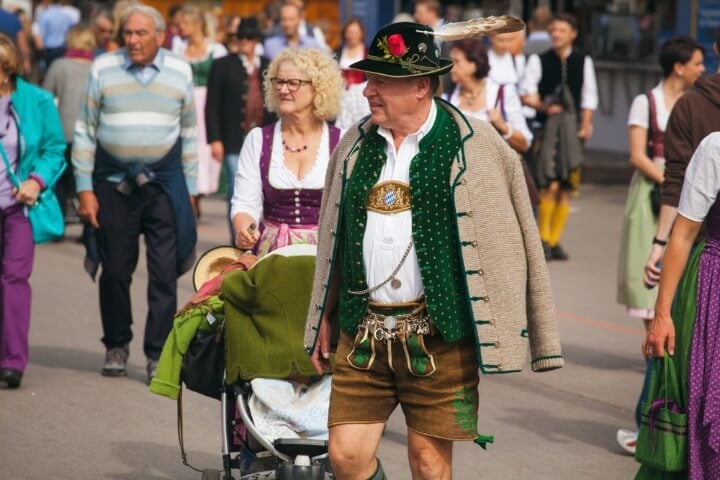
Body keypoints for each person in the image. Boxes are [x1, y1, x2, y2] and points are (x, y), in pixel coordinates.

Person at [305, 22, 563, 479]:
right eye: (370, 79)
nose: (369, 91)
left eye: (382, 80)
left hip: (440, 335)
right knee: (345, 457)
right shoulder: (352, 143)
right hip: (362, 331)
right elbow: (333, 240)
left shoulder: (475, 143)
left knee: (428, 462)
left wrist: (533, 331)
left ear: (421, 85)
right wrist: (322, 314)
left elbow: (519, 236)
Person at [72, 5, 198, 383]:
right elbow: (84, 130)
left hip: (163, 185)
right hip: (112, 184)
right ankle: (116, 342)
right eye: (127, 33)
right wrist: (83, 189)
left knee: (163, 274)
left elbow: (190, 135)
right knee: (114, 270)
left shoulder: (180, 70)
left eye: (141, 33)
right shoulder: (102, 68)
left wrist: (190, 194)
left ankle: (157, 351)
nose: (132, 40)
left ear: (160, 36)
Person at [615, 36, 705, 455]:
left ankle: (653, 421)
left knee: (667, 328)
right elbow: (639, 155)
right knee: (653, 314)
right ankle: (652, 423)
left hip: (681, 205)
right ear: (679, 67)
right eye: (696, 62)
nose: (701, 68)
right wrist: (682, 193)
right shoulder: (647, 102)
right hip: (657, 203)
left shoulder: (693, 103)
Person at [645, 132, 720, 479]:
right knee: (706, 411)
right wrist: (662, 316)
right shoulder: (716, 147)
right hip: (712, 290)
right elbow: (684, 234)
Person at [230, 47, 342, 257]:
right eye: (279, 82)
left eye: (293, 83)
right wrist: (245, 228)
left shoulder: (342, 141)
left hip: (326, 257)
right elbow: (245, 202)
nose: (282, 89)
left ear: (318, 87)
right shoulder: (258, 140)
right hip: (272, 255)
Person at [0, 33, 66, 389]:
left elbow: (55, 148)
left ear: (7, 70)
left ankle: (11, 361)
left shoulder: (36, 101)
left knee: (13, 278)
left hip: (19, 206)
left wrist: (36, 181)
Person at [521, 13, 598, 261]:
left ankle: (554, 240)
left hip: (571, 131)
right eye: (553, 30)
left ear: (573, 34)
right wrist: (544, 106)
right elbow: (526, 95)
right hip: (547, 129)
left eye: (562, 30)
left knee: (566, 185)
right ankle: (542, 238)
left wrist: (585, 125)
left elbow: (589, 97)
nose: (556, 34)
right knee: (549, 183)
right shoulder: (538, 60)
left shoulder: (583, 61)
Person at [205, 16, 274, 240]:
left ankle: (257, 236)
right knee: (238, 189)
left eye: (249, 37)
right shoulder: (223, 64)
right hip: (233, 138)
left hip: (264, 138)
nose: (244, 41)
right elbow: (212, 104)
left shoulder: (268, 65)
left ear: (257, 40)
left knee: (263, 190)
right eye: (240, 37)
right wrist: (215, 139)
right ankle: (237, 237)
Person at [174, 5, 227, 216]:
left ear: (197, 25)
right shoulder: (178, 50)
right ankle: (191, 195)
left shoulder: (216, 50)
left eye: (184, 24)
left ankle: (200, 193)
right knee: (188, 149)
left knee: (206, 152)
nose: (180, 28)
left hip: (209, 103)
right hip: (186, 104)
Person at [42, 25, 97, 225]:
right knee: (85, 176)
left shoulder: (59, 65)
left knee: (60, 177)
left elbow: (46, 96)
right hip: (91, 130)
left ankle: (59, 219)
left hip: (62, 128)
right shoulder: (97, 65)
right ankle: (87, 223)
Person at [445, 38, 532, 153]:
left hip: (495, 168)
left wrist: (503, 126)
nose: (451, 67)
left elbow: (525, 143)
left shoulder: (503, 93)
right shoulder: (448, 99)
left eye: (456, 61)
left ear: (474, 64)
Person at [334, 17, 370, 130]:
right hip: (340, 96)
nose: (351, 35)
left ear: (361, 34)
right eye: (349, 32)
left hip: (360, 98)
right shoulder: (338, 52)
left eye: (354, 32)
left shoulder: (368, 53)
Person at [35, 0, 78, 70]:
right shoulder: (66, 16)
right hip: (63, 48)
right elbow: (71, 31)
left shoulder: (45, 15)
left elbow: (40, 36)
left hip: (49, 50)